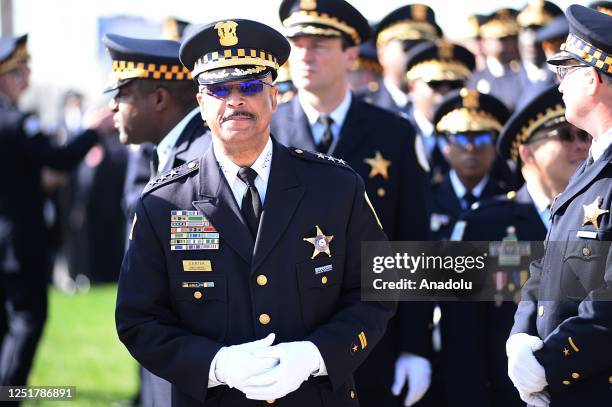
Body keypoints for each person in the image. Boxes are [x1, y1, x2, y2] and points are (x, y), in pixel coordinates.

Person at [115, 18, 396, 406]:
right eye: (217, 89)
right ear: (201, 104)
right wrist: (218, 364)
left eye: (249, 86)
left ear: (275, 96)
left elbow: (375, 292)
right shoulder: (164, 203)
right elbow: (139, 320)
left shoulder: (336, 186)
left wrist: (314, 355)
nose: (235, 101)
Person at [272, 1, 432, 405]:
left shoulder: (392, 132)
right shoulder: (267, 130)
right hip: (286, 346)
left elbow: (410, 243)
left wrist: (415, 346)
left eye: (320, 43)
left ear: (350, 54)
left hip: (372, 338)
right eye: (297, 42)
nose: (305, 54)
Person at [447, 84, 589, 407]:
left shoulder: (598, 218)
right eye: (565, 136)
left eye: (584, 136)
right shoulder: (483, 226)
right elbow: (462, 340)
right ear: (525, 151)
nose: (580, 146)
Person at [506, 5, 612, 406]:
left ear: (593, 79)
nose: (559, 85)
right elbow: (549, 265)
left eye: (565, 72)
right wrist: (520, 337)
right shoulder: (591, 167)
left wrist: (547, 367)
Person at [103, 33, 210, 406]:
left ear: (160, 98)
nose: (114, 107)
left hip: (193, 363)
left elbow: (199, 278)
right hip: (173, 354)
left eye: (122, 94)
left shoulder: (199, 160)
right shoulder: (174, 151)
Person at [0, 33, 109, 390]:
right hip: (17, 243)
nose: (26, 80)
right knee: (27, 322)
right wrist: (94, 132)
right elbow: (59, 159)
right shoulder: (15, 121)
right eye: (19, 73)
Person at [429, 88, 509, 241]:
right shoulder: (426, 200)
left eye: (482, 139)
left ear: (494, 147)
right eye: (461, 139)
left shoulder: (506, 202)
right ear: (445, 147)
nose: (471, 148)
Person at [403, 40, 476, 184]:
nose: (445, 94)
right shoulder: (397, 132)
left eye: (455, 85)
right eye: (434, 84)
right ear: (412, 87)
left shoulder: (476, 135)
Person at [365, 4, 442, 114]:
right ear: (382, 53)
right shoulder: (366, 107)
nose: (418, 56)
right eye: (409, 48)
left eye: (425, 50)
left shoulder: (444, 106)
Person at [467, 8, 523, 112]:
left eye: (512, 38)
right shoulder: (476, 80)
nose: (509, 45)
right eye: (502, 40)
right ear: (485, 42)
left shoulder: (525, 73)